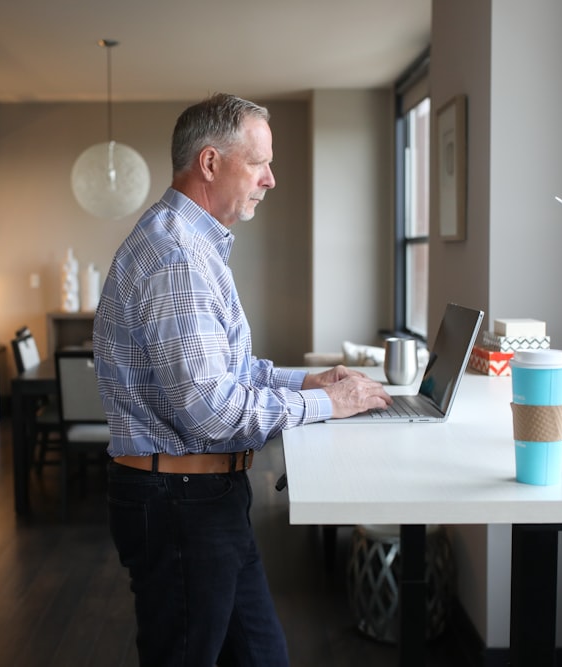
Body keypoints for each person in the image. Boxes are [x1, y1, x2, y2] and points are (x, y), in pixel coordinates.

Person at [92, 92, 392, 666]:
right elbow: (211, 409)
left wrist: (311, 382)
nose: (270, 179)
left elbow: (231, 374)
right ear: (210, 163)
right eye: (259, 163)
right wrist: (330, 404)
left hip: (203, 498)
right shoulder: (177, 255)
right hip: (181, 503)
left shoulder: (192, 246)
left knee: (262, 657)